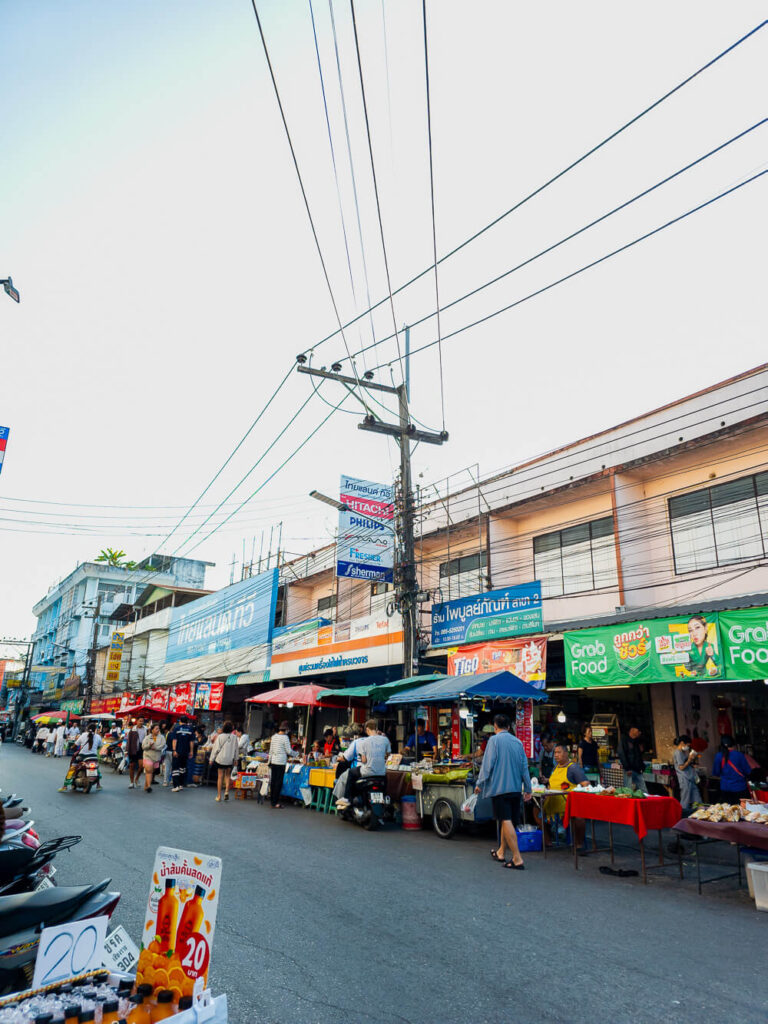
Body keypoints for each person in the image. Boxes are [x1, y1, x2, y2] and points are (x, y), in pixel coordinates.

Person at [474, 714, 532, 870]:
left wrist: (480, 783)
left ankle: (517, 858)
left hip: (500, 788)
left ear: (495, 726)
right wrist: (528, 788)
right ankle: (501, 852)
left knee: (505, 820)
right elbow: (524, 767)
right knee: (507, 821)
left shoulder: (494, 740)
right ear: (509, 726)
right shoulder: (518, 742)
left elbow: (487, 765)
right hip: (515, 789)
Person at [543, 743, 589, 853]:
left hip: (567, 804)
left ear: (566, 753)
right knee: (535, 810)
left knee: (579, 817)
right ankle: (547, 841)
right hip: (551, 802)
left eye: (559, 752)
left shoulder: (573, 768)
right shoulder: (555, 768)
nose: (556, 755)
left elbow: (585, 784)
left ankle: (579, 844)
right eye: (555, 753)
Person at [336, 719, 391, 808]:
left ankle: (346, 798)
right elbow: (388, 756)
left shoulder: (364, 742)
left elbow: (363, 760)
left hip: (367, 771)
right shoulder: (385, 740)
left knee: (351, 772)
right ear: (376, 728)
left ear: (367, 730)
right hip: (382, 772)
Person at [712, 735, 751, 803]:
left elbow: (716, 773)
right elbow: (748, 771)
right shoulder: (739, 755)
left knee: (729, 810)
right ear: (734, 745)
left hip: (725, 788)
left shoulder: (718, 756)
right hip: (740, 788)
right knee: (742, 811)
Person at [268, 721, 297, 809]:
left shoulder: (274, 737)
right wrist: (296, 754)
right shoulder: (285, 738)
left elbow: (271, 750)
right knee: (278, 782)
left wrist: (269, 761)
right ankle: (275, 802)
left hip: (273, 761)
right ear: (286, 729)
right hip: (281, 762)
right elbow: (288, 751)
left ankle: (272, 801)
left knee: (273, 781)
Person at [210, 721, 239, 802]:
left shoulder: (220, 736)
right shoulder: (234, 737)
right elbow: (236, 749)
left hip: (220, 759)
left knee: (220, 777)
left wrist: (211, 759)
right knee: (227, 776)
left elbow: (215, 749)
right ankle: (226, 791)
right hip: (230, 759)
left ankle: (219, 796)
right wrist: (236, 759)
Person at [614, 724, 647, 792]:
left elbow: (639, 756)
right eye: (638, 730)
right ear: (632, 730)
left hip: (638, 770)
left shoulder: (637, 741)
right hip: (629, 770)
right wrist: (627, 768)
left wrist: (642, 767)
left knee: (643, 790)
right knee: (628, 790)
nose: (639, 733)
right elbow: (622, 754)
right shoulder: (624, 740)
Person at [673, 734, 702, 812]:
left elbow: (686, 764)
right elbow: (681, 767)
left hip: (690, 778)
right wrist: (689, 760)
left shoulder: (683, 752)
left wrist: (691, 763)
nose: (688, 747)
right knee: (685, 799)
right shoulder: (678, 753)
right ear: (682, 743)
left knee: (696, 798)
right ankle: (683, 814)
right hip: (685, 779)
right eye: (687, 745)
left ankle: (699, 812)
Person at [168, 716, 197, 793]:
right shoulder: (190, 730)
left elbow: (174, 740)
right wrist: (191, 751)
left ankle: (176, 786)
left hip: (177, 752)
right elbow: (191, 742)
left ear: (180, 721)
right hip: (185, 752)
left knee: (175, 769)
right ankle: (181, 785)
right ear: (187, 721)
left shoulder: (177, 729)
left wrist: (174, 750)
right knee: (182, 769)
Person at [141, 724, 165, 794]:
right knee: (149, 770)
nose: (158, 730)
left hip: (156, 757)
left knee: (151, 772)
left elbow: (163, 745)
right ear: (152, 730)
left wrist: (156, 748)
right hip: (148, 756)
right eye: (156, 729)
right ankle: (149, 786)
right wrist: (149, 745)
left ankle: (146, 785)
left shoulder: (162, 737)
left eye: (158, 729)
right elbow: (143, 747)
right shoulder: (147, 737)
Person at [125, 719, 144, 789]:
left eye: (142, 721)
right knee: (132, 766)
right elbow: (128, 741)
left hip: (141, 749)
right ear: (137, 722)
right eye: (140, 721)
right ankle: (131, 782)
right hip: (133, 749)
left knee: (142, 766)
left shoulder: (145, 729)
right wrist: (127, 750)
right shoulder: (133, 729)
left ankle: (137, 779)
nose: (141, 722)